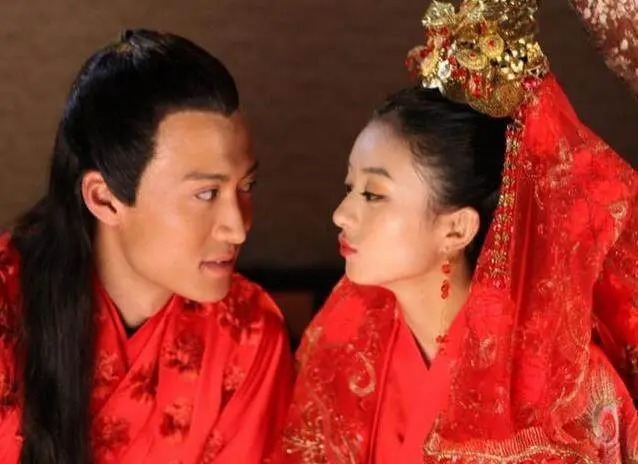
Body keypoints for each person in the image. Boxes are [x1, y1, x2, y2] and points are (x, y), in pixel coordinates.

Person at [279, 1, 638, 462]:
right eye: (350, 187)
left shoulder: (567, 394)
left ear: (456, 229)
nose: (341, 214)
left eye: (373, 194)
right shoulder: (343, 342)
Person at [0, 29, 292, 464]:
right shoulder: (8, 302)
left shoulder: (247, 334)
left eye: (246, 186)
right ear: (105, 199)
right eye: (206, 194)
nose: (238, 227)